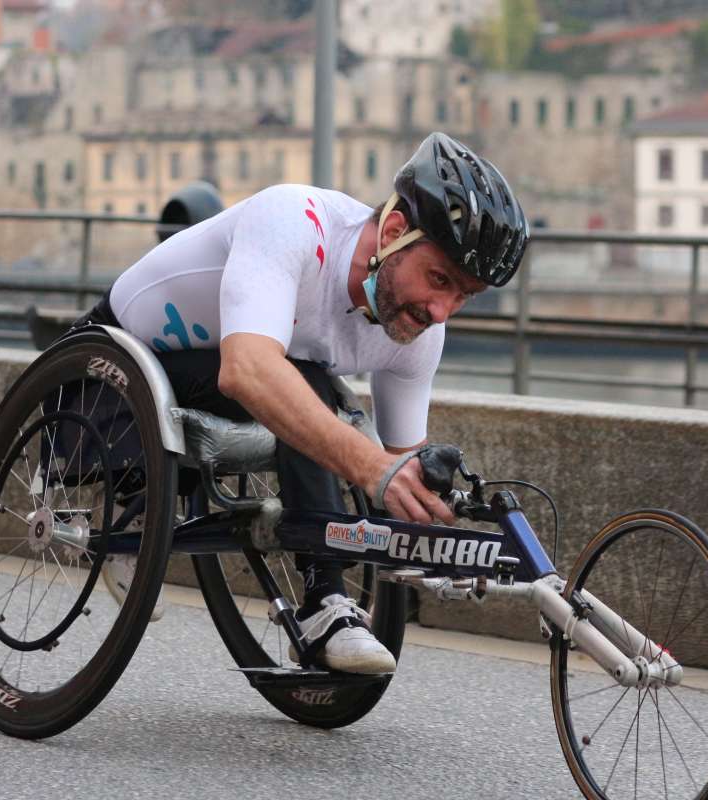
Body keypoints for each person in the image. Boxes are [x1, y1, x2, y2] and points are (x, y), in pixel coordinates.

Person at [80, 132, 528, 674]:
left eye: (463, 296)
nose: (441, 311)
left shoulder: (418, 330)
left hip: (221, 389)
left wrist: (439, 525)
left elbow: (400, 460)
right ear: (392, 232)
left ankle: (326, 601)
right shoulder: (295, 220)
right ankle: (316, 600)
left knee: (314, 396)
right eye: (439, 280)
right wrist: (371, 467)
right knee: (302, 382)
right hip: (112, 366)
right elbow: (247, 368)